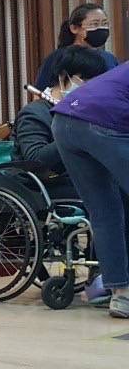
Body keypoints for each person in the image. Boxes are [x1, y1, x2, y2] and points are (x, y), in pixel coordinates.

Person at [52, 60, 129, 317]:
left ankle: (122, 295)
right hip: (102, 122)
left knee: (104, 212)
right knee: (107, 212)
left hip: (64, 121)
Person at [13, 46, 108, 199]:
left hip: (82, 179)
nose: (91, 89)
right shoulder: (35, 112)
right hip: (46, 186)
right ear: (63, 77)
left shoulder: (83, 110)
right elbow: (35, 159)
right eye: (86, 81)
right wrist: (74, 132)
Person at [35, 3, 117, 90]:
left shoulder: (109, 58)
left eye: (105, 24)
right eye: (94, 24)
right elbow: (38, 92)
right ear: (74, 28)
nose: (101, 28)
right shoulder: (59, 58)